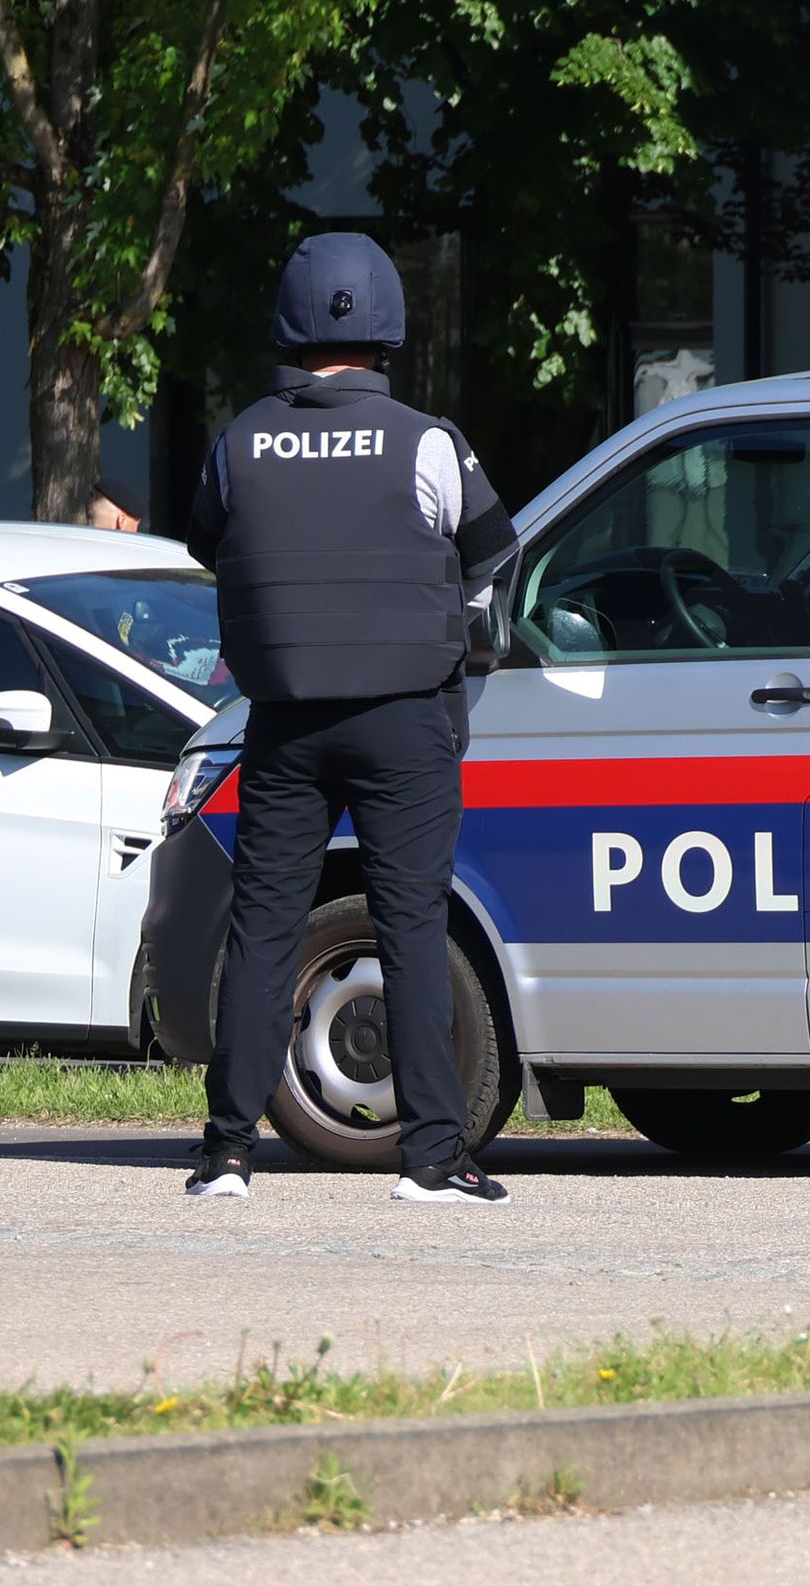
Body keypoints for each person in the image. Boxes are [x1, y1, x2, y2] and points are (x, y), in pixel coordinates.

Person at [184, 234, 517, 1204]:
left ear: (290, 324)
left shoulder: (240, 441)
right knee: (412, 924)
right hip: (403, 718)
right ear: (389, 328)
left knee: (263, 928)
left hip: (284, 719)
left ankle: (227, 1153)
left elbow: (214, 543)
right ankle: (432, 1158)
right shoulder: (428, 440)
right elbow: (495, 552)